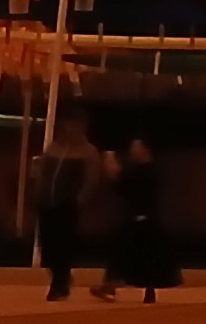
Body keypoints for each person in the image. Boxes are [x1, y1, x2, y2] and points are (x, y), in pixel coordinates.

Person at [106, 132, 179, 303]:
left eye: (136, 147)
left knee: (129, 253)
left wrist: (111, 163)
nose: (133, 151)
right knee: (136, 256)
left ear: (146, 150)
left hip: (143, 219)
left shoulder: (147, 172)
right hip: (142, 219)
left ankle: (113, 286)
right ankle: (117, 286)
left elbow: (121, 184)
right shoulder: (146, 170)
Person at [40, 123, 104, 302]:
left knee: (63, 245)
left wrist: (81, 198)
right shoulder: (54, 148)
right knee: (48, 245)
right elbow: (43, 172)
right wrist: (39, 194)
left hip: (68, 205)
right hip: (47, 203)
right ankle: (61, 278)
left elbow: (92, 177)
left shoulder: (87, 151)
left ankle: (59, 285)